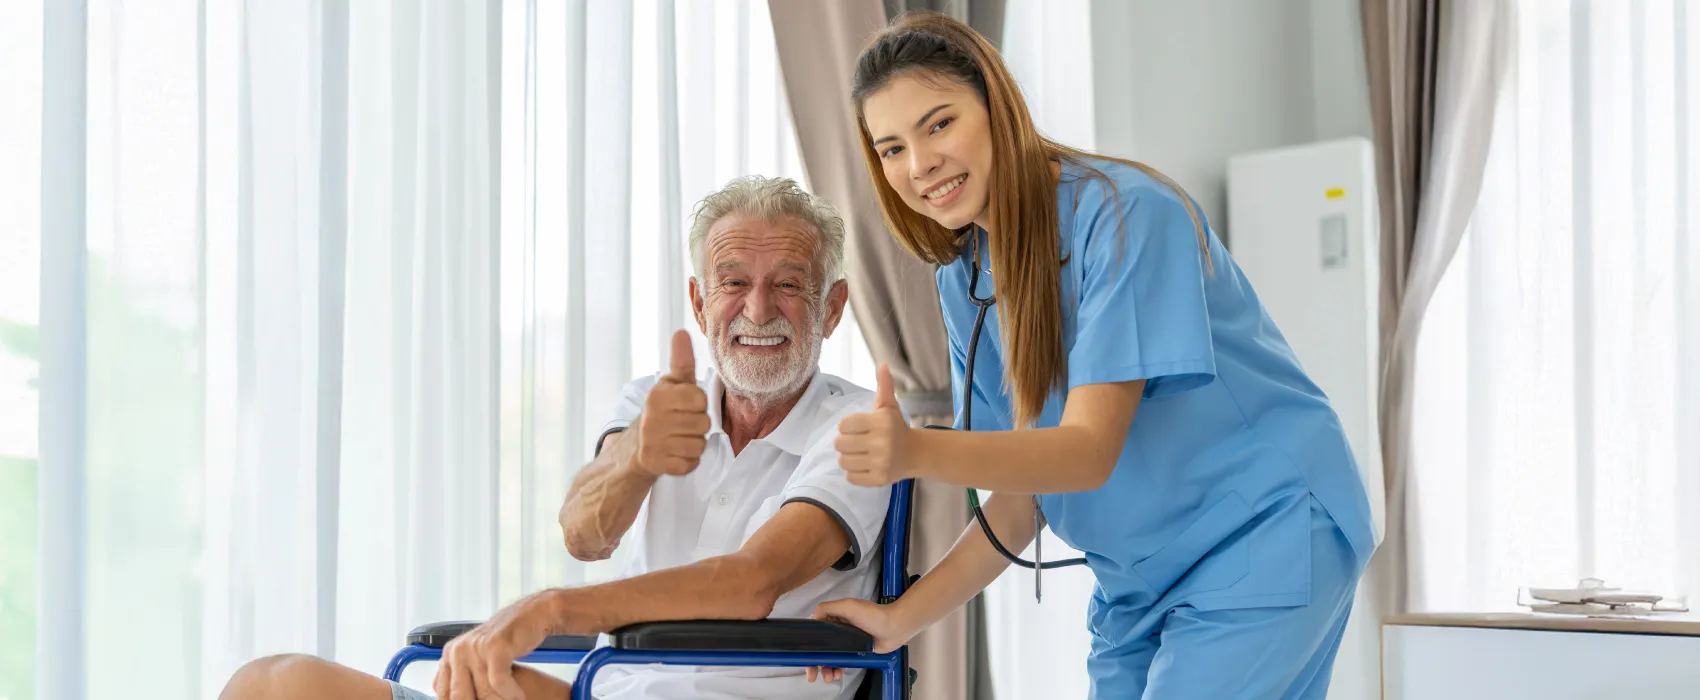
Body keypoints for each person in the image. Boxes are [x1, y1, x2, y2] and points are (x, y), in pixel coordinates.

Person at [810, 12, 1377, 699]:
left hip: (1262, 535)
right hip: (1136, 582)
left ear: (997, 106)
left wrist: (915, 450)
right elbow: (1024, 499)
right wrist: (899, 620)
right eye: (891, 147)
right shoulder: (964, 280)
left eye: (938, 124)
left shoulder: (1127, 214)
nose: (919, 164)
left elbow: (1085, 450)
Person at [219, 176, 893, 700]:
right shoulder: (657, 398)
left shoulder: (859, 429)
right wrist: (637, 454)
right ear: (698, 301)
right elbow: (584, 534)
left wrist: (548, 610)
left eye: (788, 286)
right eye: (734, 283)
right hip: (603, 687)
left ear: (831, 308)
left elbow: (752, 583)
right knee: (274, 684)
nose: (757, 309)